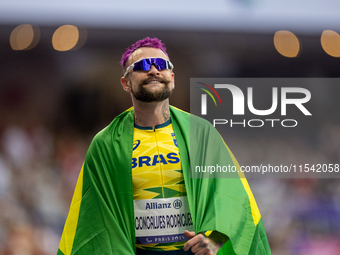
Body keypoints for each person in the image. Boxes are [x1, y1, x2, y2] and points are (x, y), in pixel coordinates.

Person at [57, 37, 271, 255]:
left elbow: (231, 197)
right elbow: (94, 219)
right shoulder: (106, 144)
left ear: (172, 78)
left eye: (161, 65)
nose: (152, 70)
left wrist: (215, 239)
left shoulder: (201, 133)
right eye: (140, 66)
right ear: (125, 83)